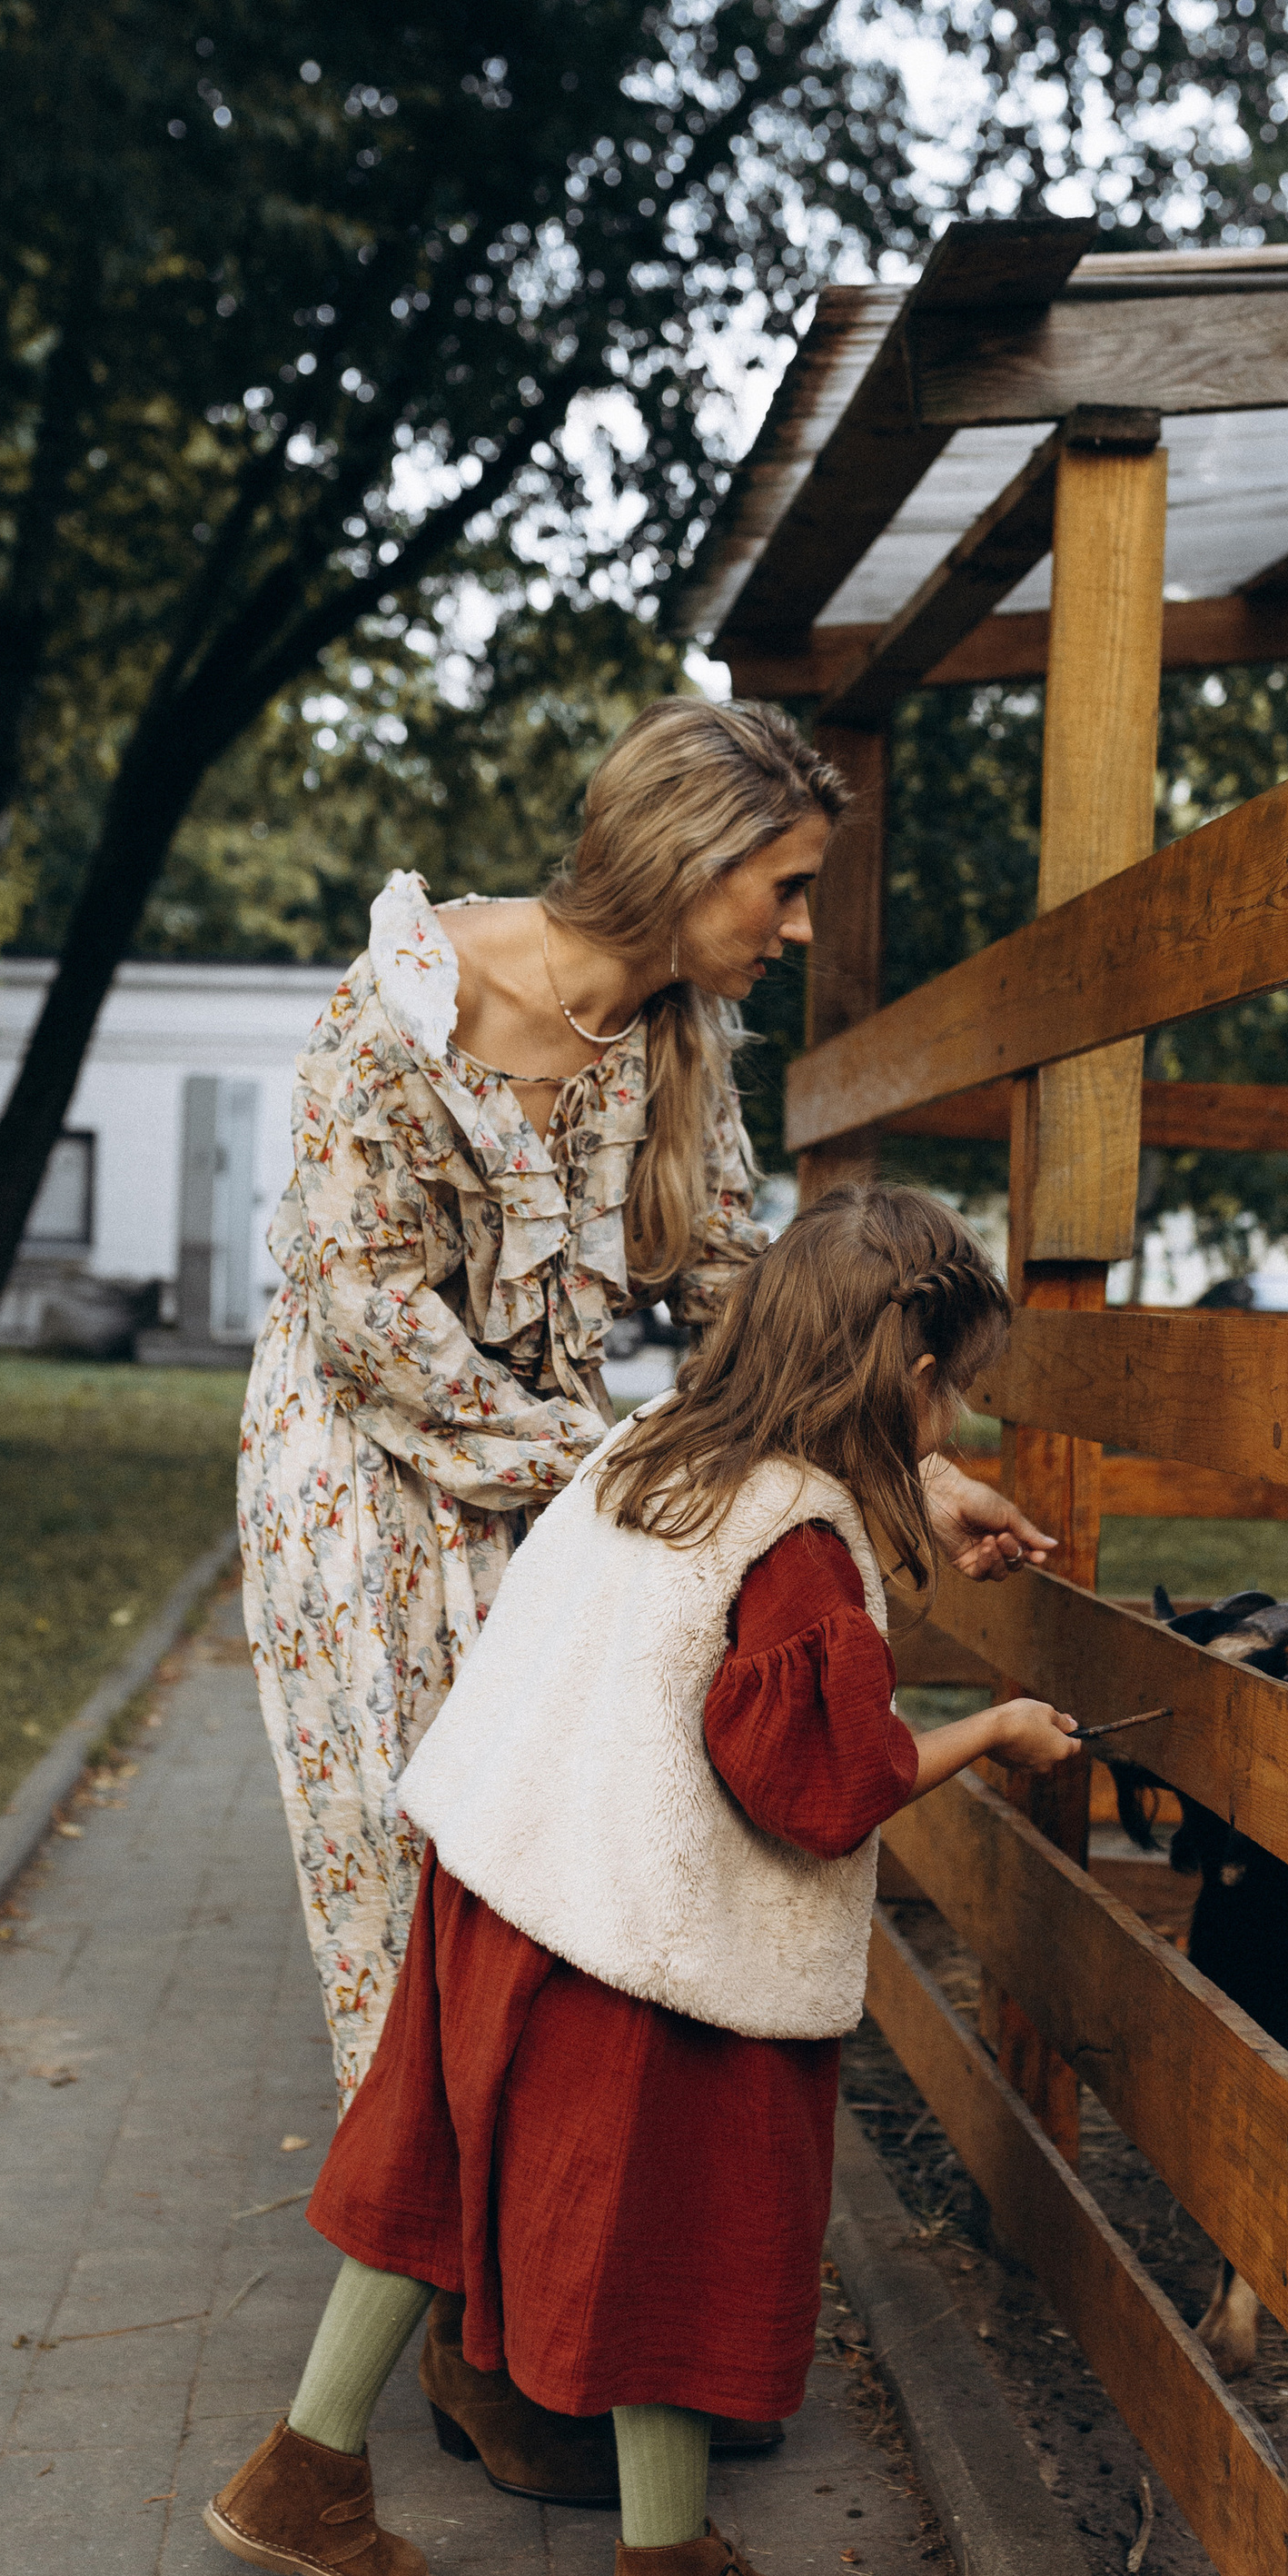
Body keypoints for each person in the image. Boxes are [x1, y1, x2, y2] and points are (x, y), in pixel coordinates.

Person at [206, 1188, 1080, 2576]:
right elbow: (819, 1787)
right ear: (910, 1375)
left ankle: (305, 2472)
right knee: (669, 2226)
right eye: (954, 1392)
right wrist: (993, 1729)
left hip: (500, 1875)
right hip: (634, 1935)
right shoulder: (799, 1548)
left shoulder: (660, 1442)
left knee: (433, 2173)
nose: (959, 1418)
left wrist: (922, 1490)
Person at [237, 699, 1051, 2104]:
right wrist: (625, 1465)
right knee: (404, 1849)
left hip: (558, 1475)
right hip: (367, 1470)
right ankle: (424, 2210)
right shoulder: (409, 1003)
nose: (800, 927)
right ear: (689, 856)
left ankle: (538, 2197)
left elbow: (745, 1303)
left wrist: (906, 1472)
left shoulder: (681, 1044)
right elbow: (370, 1320)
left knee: (553, 1836)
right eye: (784, 886)